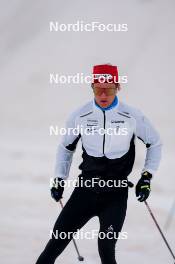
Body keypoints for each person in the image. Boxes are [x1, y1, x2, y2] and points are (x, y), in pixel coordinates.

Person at [36, 64, 162, 264]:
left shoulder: (131, 115)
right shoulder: (81, 115)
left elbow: (155, 142)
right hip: (84, 191)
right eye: (98, 89)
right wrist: (59, 178)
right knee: (55, 243)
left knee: (105, 248)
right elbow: (66, 147)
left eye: (109, 89)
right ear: (92, 87)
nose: (103, 95)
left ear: (118, 87)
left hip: (115, 195)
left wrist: (146, 177)